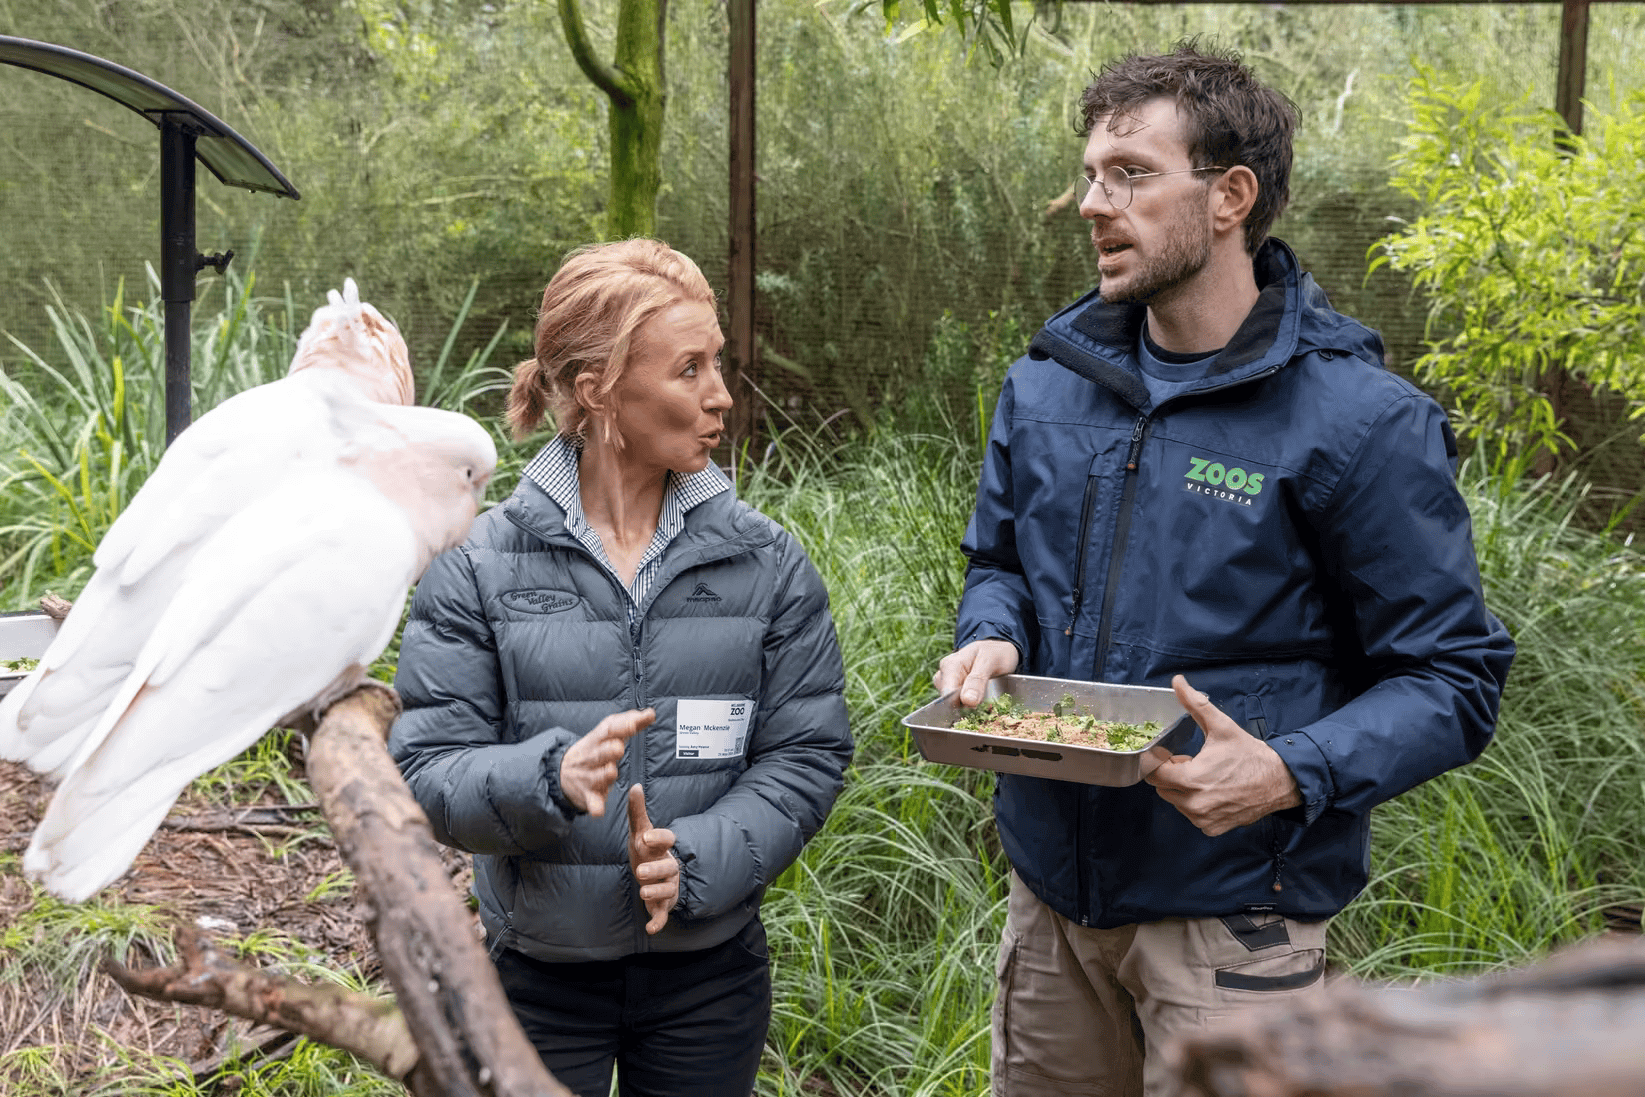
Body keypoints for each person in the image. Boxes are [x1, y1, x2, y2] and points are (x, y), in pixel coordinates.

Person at [933, 40, 1515, 1097]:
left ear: (1229, 196)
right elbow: (999, 556)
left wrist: (1289, 770)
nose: (1091, 204)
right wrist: (992, 628)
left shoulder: (1356, 421)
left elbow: (1455, 677)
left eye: (1131, 174)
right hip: (1052, 905)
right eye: (1090, 173)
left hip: (1234, 923)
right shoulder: (1049, 384)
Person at [389, 239, 852, 1097]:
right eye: (688, 368)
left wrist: (698, 856)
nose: (719, 394)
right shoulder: (478, 566)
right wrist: (547, 776)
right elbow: (427, 769)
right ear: (600, 389)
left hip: (707, 982)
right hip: (533, 983)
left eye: (716, 363)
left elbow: (807, 753)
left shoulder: (767, 564)